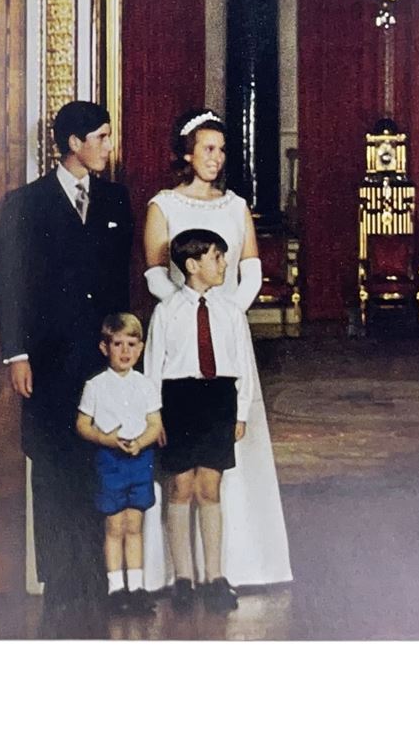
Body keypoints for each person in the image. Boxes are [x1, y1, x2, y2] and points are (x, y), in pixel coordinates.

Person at [0, 100, 135, 635]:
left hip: (101, 364)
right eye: (100, 136)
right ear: (73, 143)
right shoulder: (25, 205)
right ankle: (60, 582)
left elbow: (120, 287)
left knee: (97, 465)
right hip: (48, 364)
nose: (108, 145)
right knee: (54, 469)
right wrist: (17, 354)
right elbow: (10, 282)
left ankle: (94, 580)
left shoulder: (117, 199)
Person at [139, 110, 292, 598]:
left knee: (216, 481)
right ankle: (181, 575)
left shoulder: (235, 205)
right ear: (187, 153)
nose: (216, 158)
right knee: (181, 483)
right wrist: (191, 307)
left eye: (222, 150)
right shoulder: (162, 205)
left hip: (221, 353)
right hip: (183, 355)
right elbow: (156, 274)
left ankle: (230, 569)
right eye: (207, 149)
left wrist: (223, 309)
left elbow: (249, 268)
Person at [143, 229, 256, 612]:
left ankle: (215, 577)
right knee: (181, 487)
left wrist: (240, 413)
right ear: (192, 265)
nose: (224, 264)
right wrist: (154, 416)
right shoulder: (167, 312)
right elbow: (153, 367)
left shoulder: (229, 311)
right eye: (217, 258)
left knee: (210, 487)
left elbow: (243, 366)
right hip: (178, 401)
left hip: (218, 399)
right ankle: (183, 580)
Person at [76, 313, 164, 617]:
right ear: (105, 348)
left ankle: (136, 587)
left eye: (131, 344)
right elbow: (82, 424)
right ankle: (115, 589)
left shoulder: (146, 385)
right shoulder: (96, 386)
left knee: (134, 524)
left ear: (140, 349)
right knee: (115, 525)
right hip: (110, 461)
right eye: (117, 344)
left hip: (140, 461)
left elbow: (155, 424)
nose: (125, 351)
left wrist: (141, 442)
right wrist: (105, 439)